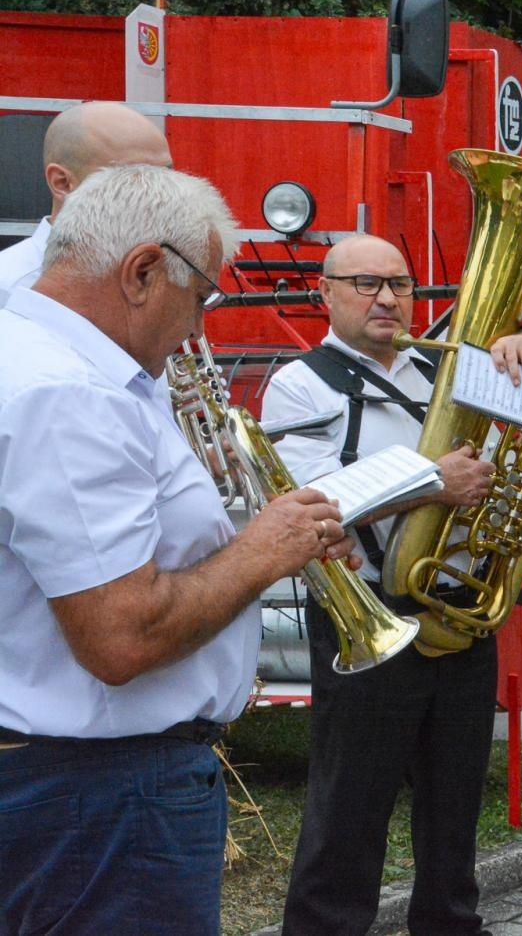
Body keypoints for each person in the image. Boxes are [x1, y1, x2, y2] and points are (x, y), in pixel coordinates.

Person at [0, 164, 355, 935]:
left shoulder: (30, 357)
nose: (197, 329)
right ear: (142, 272)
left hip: (76, 794)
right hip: (102, 802)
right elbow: (121, 634)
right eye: (199, 298)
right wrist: (266, 549)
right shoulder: (72, 396)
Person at [268, 233, 522, 936]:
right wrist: (433, 485)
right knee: (350, 812)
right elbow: (307, 499)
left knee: (454, 807)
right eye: (364, 283)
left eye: (399, 285)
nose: (385, 298)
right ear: (326, 292)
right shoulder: (300, 382)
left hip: (460, 612)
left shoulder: (444, 370)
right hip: (370, 615)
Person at [0, 101, 173, 306]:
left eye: (168, 176)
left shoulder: (167, 275)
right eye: (131, 177)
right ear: (62, 183)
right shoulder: (9, 288)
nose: (159, 195)